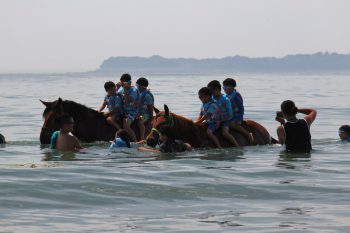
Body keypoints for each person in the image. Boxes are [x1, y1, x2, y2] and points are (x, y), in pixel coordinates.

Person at [207, 80, 240, 147]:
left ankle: (237, 146)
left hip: (226, 120)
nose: (210, 95)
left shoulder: (226, 100)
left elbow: (230, 115)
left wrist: (221, 120)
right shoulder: (212, 99)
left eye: (211, 92)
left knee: (224, 133)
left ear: (216, 90)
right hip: (215, 120)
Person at [223, 78, 254, 145]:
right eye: (223, 87)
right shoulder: (225, 96)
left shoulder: (236, 96)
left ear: (233, 87)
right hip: (229, 115)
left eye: (226, 87)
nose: (224, 89)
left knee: (232, 125)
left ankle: (248, 135)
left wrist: (240, 119)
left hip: (236, 116)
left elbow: (241, 108)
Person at [117, 73, 140, 142]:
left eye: (123, 82)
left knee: (126, 125)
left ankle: (135, 141)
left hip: (132, 113)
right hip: (123, 111)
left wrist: (125, 89)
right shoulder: (121, 89)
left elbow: (127, 100)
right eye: (121, 82)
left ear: (129, 82)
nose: (122, 84)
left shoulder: (134, 91)